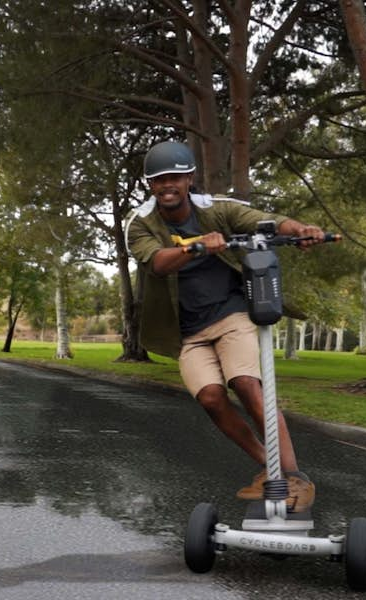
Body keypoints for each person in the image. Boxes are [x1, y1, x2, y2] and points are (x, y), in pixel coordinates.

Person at [124, 140, 325, 511]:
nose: (167, 185)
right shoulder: (140, 223)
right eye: (158, 180)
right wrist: (195, 246)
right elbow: (156, 263)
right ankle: (270, 468)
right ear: (150, 185)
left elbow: (261, 221)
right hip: (186, 332)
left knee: (248, 384)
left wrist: (300, 229)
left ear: (189, 179)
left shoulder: (215, 209)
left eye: (175, 177)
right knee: (211, 399)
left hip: (230, 314)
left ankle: (295, 479)